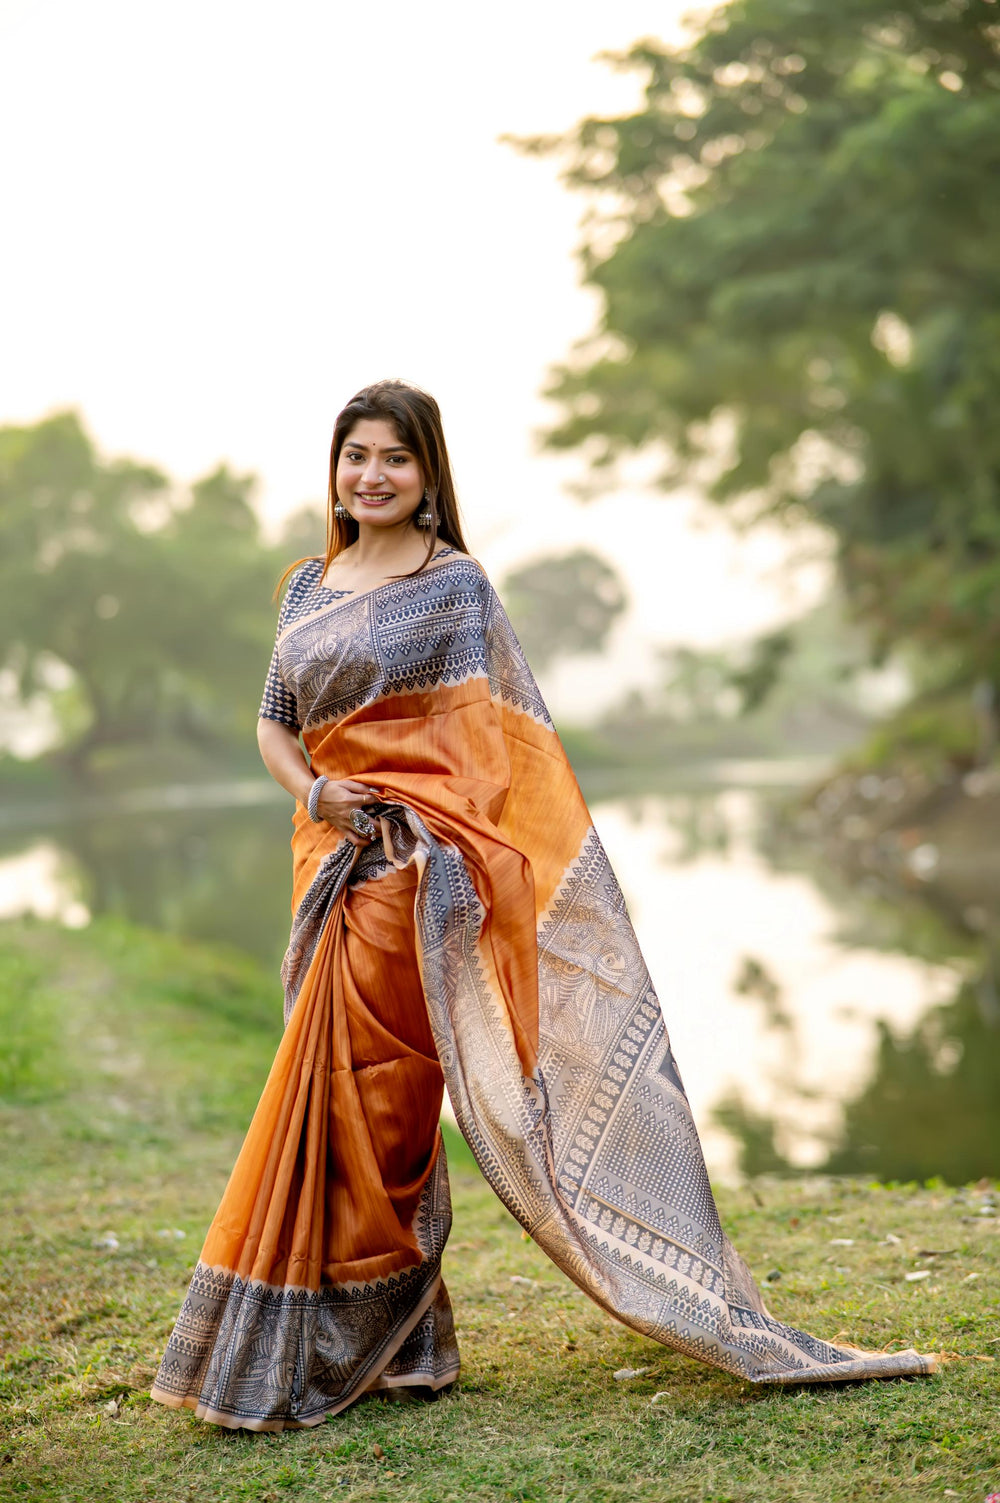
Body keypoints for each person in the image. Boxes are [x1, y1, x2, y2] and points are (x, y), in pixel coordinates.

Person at [150, 379, 936, 1432]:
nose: (370, 476)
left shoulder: (454, 588)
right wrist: (315, 793)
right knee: (328, 1097)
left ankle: (360, 1340)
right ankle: (402, 1343)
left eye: (394, 458)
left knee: (383, 1106)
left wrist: (423, 840)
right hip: (328, 869)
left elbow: (489, 751)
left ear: (429, 476)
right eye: (355, 457)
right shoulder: (306, 585)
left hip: (414, 878)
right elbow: (274, 723)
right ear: (334, 470)